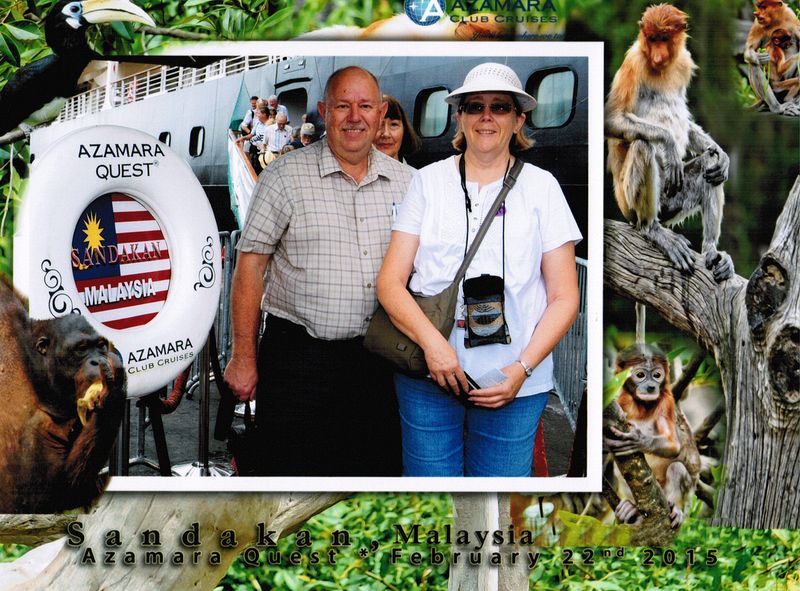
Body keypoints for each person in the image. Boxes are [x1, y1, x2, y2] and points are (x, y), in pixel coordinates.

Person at [376, 62, 582, 477]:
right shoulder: (428, 182)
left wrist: (521, 369)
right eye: (474, 106)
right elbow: (390, 283)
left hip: (515, 382)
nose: (486, 117)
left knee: (498, 501)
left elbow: (565, 297)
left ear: (519, 119)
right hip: (429, 373)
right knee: (432, 498)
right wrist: (435, 348)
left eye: (500, 107)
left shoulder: (543, 187)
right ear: (460, 116)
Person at [224, 66, 414, 476]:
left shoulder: (410, 184)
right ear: (325, 111)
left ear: (381, 113)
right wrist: (243, 355)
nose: (354, 116)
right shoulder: (284, 176)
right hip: (299, 363)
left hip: (381, 365)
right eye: (343, 106)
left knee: (375, 478)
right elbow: (250, 266)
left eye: (365, 106)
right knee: (292, 481)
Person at [373, 95, 421, 163]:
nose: (386, 134)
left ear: (404, 130)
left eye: (394, 124)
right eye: (379, 125)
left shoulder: (416, 173)